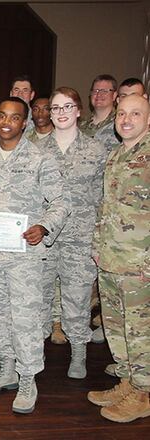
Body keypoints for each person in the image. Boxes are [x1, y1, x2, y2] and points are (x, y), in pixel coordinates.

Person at [0, 97, 68, 414]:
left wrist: (43, 225)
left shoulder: (41, 159)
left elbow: (61, 203)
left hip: (25, 255)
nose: (6, 121)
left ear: (24, 123)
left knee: (25, 319)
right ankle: (7, 368)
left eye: (14, 117)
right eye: (1, 115)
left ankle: (28, 379)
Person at [35, 87, 107, 380]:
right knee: (38, 296)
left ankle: (79, 351)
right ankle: (34, 353)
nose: (61, 113)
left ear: (79, 111)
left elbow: (103, 198)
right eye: (55, 108)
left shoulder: (96, 151)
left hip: (80, 236)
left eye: (67, 107)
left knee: (76, 299)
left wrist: (99, 239)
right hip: (44, 236)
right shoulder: (36, 151)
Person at [87, 94, 150, 423]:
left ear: (148, 119)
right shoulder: (116, 155)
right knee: (116, 327)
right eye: (122, 113)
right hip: (111, 259)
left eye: (135, 113)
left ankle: (143, 393)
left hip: (140, 264)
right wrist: (97, 246)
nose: (126, 119)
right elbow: (105, 207)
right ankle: (128, 381)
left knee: (141, 330)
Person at [79, 74, 120, 150]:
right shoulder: (80, 125)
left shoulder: (120, 124)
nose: (98, 95)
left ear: (114, 95)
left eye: (104, 91)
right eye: (95, 91)